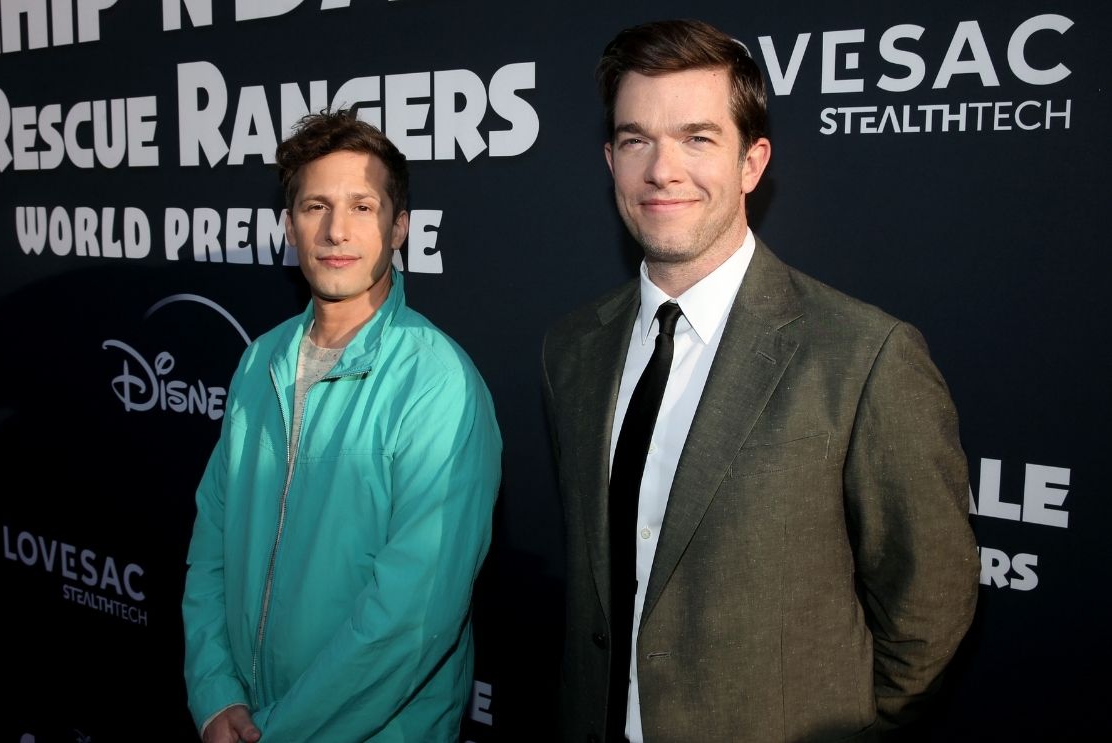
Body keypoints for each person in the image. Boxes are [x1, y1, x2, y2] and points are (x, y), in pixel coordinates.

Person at [541, 19, 979, 743]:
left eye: (697, 138)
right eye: (634, 140)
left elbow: (928, 600)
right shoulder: (572, 349)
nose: (661, 170)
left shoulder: (864, 355)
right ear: (609, 159)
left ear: (752, 162)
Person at [182, 109, 502, 743]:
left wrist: (278, 732)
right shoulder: (259, 362)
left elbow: (412, 618)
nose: (336, 230)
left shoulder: (438, 384)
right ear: (289, 226)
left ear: (399, 226)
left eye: (362, 205)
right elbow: (211, 547)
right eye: (314, 207)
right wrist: (216, 695)